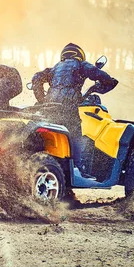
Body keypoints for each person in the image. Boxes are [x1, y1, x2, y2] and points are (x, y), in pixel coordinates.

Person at [31, 43, 118, 173]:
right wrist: (109, 80)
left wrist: (42, 99)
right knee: (75, 134)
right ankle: (78, 167)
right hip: (68, 108)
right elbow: (96, 72)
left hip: (49, 108)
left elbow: (36, 78)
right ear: (79, 54)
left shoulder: (55, 68)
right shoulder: (80, 64)